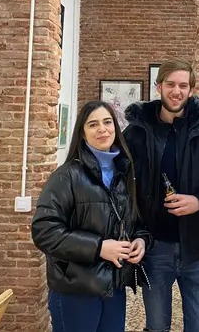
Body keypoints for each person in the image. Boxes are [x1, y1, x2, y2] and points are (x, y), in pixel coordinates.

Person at [123, 58, 199, 332]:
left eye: (183, 86)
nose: (176, 91)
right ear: (158, 86)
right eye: (170, 84)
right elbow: (121, 184)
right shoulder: (136, 132)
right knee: (157, 326)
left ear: (191, 90)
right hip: (154, 245)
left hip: (197, 247)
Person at [32, 101, 152, 332]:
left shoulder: (123, 173)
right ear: (82, 133)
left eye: (107, 122)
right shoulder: (66, 176)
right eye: (93, 124)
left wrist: (140, 239)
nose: (102, 129)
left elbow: (133, 220)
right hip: (76, 288)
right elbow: (44, 231)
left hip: (113, 285)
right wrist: (98, 248)